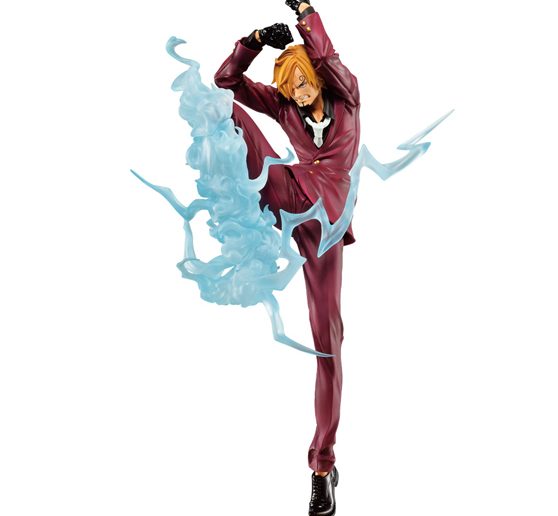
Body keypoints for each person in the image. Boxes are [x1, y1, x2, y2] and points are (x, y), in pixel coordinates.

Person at [214, 1, 359, 514]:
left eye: (302, 82)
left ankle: (323, 465)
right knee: (225, 111)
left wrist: (306, 14)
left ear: (315, 77)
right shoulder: (284, 108)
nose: (298, 92)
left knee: (327, 346)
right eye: (289, 87)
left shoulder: (346, 98)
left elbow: (329, 60)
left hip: (326, 229)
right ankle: (228, 197)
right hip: (289, 196)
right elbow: (226, 82)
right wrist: (252, 41)